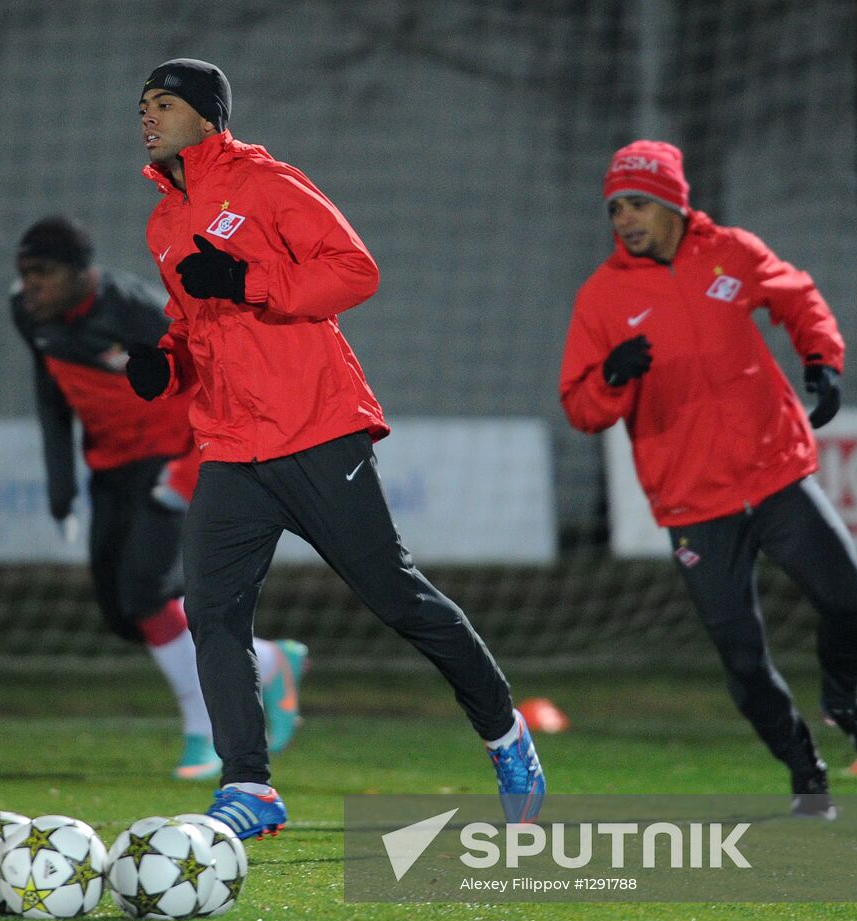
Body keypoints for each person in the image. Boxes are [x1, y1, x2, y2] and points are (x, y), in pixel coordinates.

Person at [128, 59, 545, 839]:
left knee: (395, 597)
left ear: (208, 117)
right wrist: (168, 357)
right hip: (229, 445)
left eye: (163, 103)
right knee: (210, 615)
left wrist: (250, 280)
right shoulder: (161, 221)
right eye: (142, 105)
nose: (146, 116)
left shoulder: (266, 182)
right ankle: (249, 788)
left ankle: (505, 734)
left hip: (316, 428)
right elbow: (198, 321)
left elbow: (355, 272)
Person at [559, 140, 857, 819]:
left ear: (671, 204)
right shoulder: (602, 298)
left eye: (636, 204)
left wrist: (821, 359)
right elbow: (579, 408)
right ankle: (805, 772)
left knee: (847, 603)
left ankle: (843, 699)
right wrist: (611, 377)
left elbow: (799, 299)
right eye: (615, 208)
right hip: (692, 502)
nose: (623, 219)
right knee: (744, 662)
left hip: (774, 472)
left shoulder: (731, 252)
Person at [9, 215, 310, 781]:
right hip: (112, 467)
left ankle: (207, 733)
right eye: (24, 274)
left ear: (82, 274)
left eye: (42, 273)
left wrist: (189, 470)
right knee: (124, 611)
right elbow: (49, 389)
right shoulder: (29, 313)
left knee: (147, 592)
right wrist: (61, 485)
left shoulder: (136, 313)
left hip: (177, 455)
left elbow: (220, 379)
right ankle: (270, 660)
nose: (31, 286)